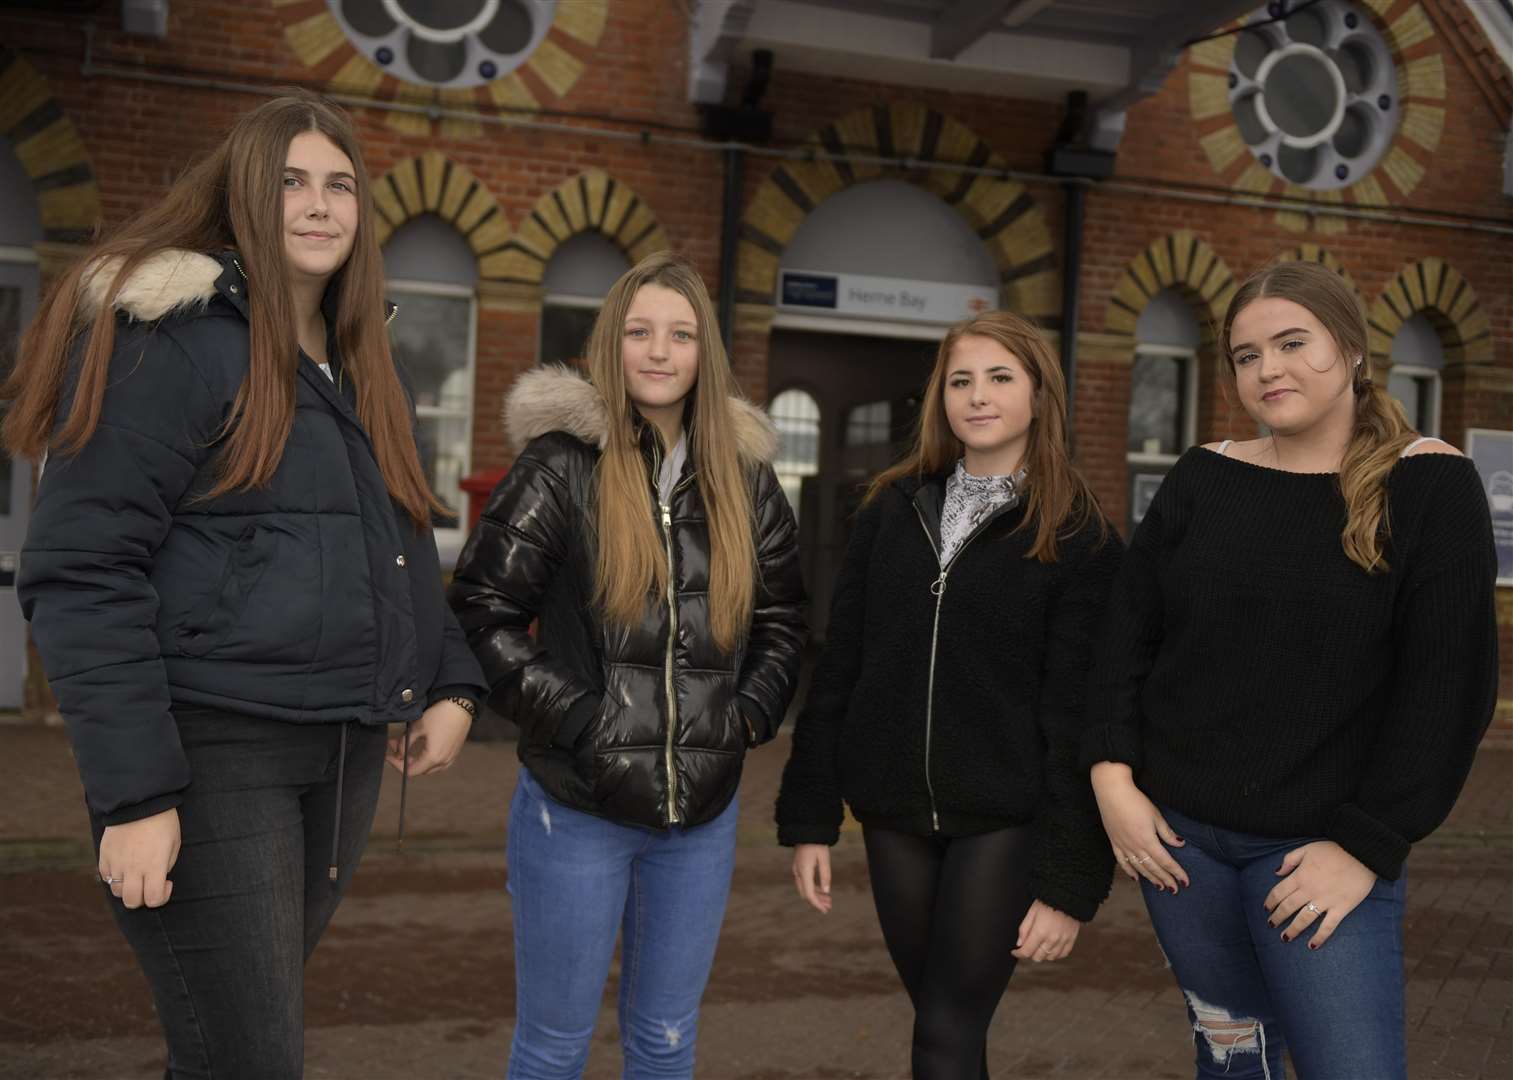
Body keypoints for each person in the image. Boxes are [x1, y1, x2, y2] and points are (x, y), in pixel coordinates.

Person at [5, 92, 487, 1079]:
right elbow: (83, 570)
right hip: (215, 750)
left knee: (227, 1044)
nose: (318, 205)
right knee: (253, 1055)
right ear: (241, 201)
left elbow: (394, 531)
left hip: (343, 749)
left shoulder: (358, 356)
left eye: (339, 184)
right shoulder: (170, 336)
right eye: (290, 184)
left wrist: (446, 678)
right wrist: (136, 796)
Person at [1084, 260, 1498, 1080]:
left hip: (1318, 855)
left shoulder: (1428, 484)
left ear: (1350, 350)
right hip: (1177, 850)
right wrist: (1111, 780)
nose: (1266, 369)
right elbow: (1122, 638)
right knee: (1234, 1066)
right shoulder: (1206, 475)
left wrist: (1366, 844)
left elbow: (1448, 689)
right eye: (1244, 355)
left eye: (1290, 342)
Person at [449, 251, 806, 1077]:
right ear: (610, 345)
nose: (657, 350)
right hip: (575, 811)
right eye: (639, 331)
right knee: (553, 1046)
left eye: (679, 335)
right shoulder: (561, 465)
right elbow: (482, 609)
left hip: (700, 820)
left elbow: (784, 619)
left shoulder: (745, 479)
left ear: (702, 354)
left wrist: (744, 717)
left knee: (665, 1042)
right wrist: (578, 719)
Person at [776, 310, 1122, 1079]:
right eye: (960, 380)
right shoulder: (890, 510)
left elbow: (1084, 717)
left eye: (1000, 377)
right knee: (940, 1020)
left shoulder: (1078, 534)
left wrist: (1069, 883)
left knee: (945, 1027)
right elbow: (840, 667)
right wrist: (810, 816)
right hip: (893, 810)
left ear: (1039, 394)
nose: (977, 395)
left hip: (1003, 817)